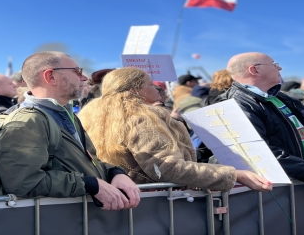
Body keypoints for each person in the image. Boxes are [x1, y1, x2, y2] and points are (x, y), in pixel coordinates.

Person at [80, 67, 272, 193]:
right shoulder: (141, 118)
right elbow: (167, 168)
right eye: (150, 84)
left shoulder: (92, 116)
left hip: (124, 201)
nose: (157, 89)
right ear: (135, 90)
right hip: (156, 204)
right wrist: (234, 174)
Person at [0, 52, 140, 210]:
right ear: (51, 77)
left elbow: (87, 162)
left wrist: (115, 173)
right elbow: (23, 181)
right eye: (77, 71)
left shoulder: (66, 114)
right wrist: (90, 184)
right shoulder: (26, 121)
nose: (84, 78)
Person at [219, 52, 304, 182]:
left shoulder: (283, 97)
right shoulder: (235, 105)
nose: (279, 68)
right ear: (254, 70)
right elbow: (261, 154)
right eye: (274, 64)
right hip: (286, 189)